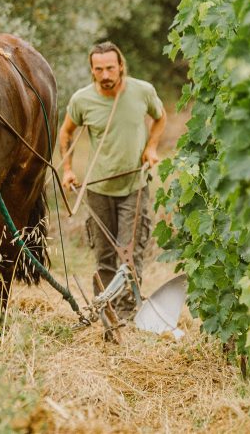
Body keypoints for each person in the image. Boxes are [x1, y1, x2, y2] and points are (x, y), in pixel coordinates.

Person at [58, 41, 166, 318]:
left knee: (130, 254)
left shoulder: (142, 91)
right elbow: (66, 133)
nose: (105, 75)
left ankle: (128, 313)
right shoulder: (82, 100)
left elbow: (160, 117)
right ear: (92, 71)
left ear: (120, 66)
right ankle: (107, 314)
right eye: (99, 69)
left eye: (110, 68)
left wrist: (151, 148)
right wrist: (68, 169)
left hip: (134, 186)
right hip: (98, 190)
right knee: (104, 257)